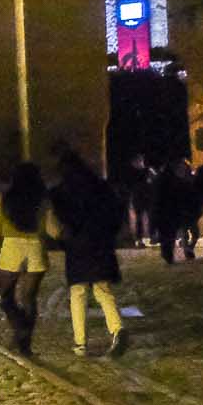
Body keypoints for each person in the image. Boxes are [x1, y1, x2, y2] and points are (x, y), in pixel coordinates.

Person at [49, 149, 128, 357]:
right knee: (103, 289)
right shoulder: (101, 187)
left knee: (78, 292)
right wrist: (110, 234)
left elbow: (54, 223)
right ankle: (117, 328)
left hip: (77, 246)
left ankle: (81, 343)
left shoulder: (60, 192)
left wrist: (62, 239)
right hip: (101, 243)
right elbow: (117, 212)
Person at [0, 162, 55, 354]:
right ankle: (25, 345)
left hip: (12, 248)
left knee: (7, 298)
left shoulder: (4, 198)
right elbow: (51, 229)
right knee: (29, 298)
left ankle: (19, 327)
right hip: (35, 249)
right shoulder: (43, 198)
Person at [154, 158, 200, 263]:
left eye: (184, 167)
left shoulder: (189, 179)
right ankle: (186, 250)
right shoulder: (174, 181)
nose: (182, 169)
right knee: (184, 233)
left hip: (190, 211)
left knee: (196, 233)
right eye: (180, 168)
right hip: (181, 211)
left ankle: (189, 248)